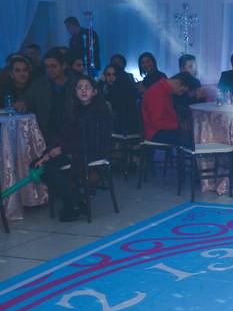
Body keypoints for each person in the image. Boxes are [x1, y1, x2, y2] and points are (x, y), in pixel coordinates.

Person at [33, 74, 112, 222]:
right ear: (75, 92)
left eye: (87, 87)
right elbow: (61, 135)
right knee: (37, 164)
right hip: (72, 149)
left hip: (91, 151)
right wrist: (48, 153)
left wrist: (62, 149)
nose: (83, 91)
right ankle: (76, 201)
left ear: (94, 91)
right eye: (80, 88)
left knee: (50, 168)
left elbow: (92, 141)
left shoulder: (100, 110)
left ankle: (71, 204)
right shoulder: (72, 110)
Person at [16, 49, 73, 144]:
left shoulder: (75, 84)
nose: (50, 70)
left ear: (63, 66)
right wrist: (22, 102)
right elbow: (27, 98)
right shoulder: (40, 84)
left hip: (71, 135)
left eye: (54, 66)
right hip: (46, 135)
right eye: (47, 67)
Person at [140, 72, 196, 146]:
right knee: (193, 139)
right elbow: (157, 122)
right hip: (155, 132)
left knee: (193, 134)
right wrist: (179, 125)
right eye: (182, 91)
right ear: (177, 82)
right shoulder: (158, 91)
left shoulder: (163, 89)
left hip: (162, 129)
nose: (180, 94)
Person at [100, 63, 141, 135]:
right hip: (115, 130)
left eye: (114, 74)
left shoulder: (125, 90)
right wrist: (101, 83)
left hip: (126, 130)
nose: (111, 77)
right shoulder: (107, 89)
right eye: (108, 74)